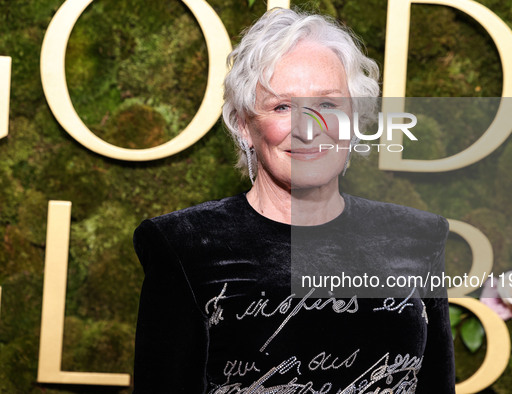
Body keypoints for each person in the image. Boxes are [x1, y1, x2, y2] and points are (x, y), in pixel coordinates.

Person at [132, 8, 455, 393]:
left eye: (329, 105)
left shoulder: (418, 237)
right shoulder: (183, 245)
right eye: (282, 107)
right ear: (243, 126)